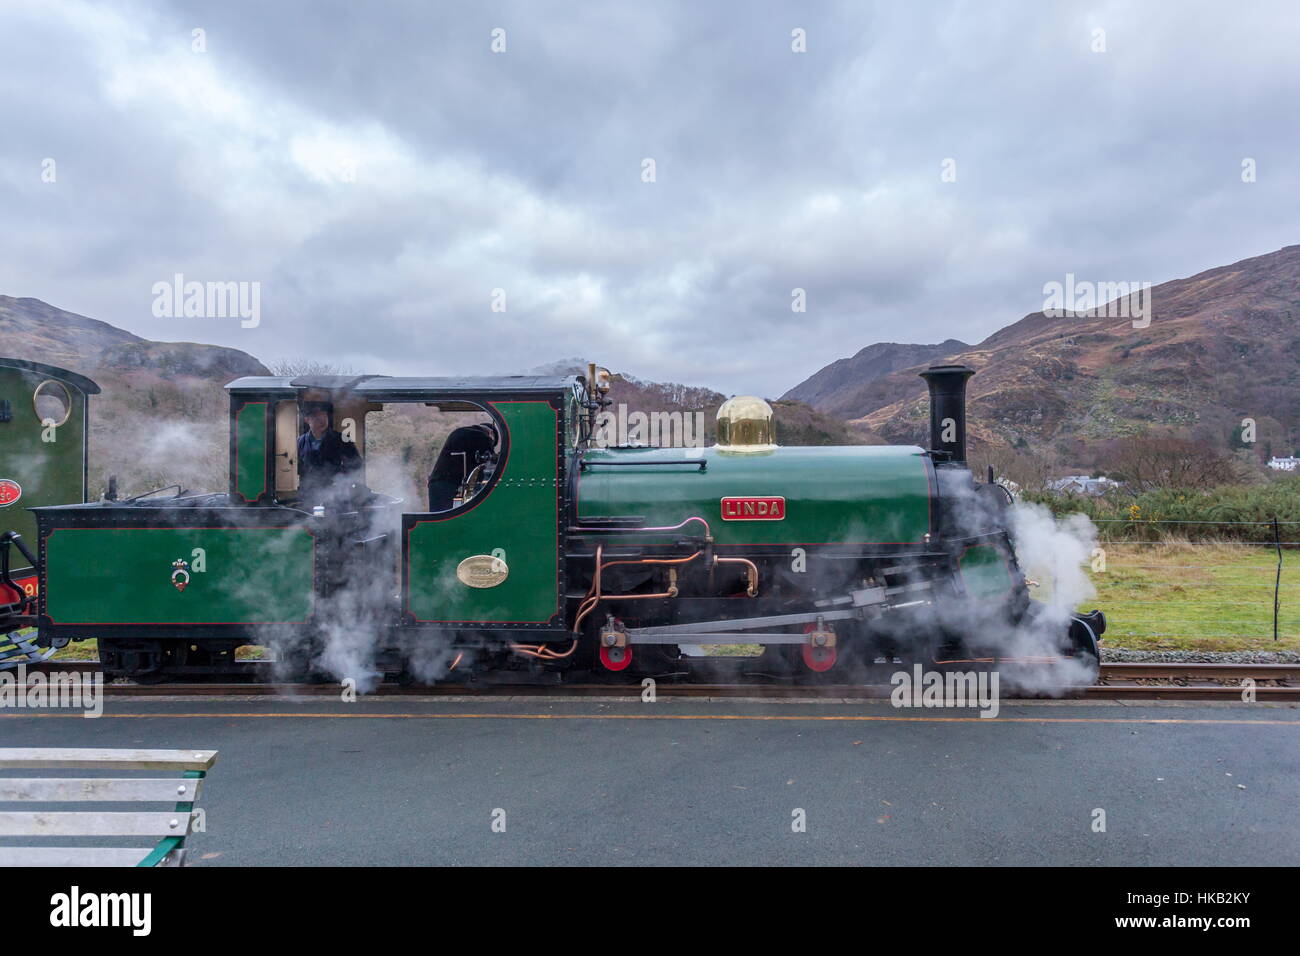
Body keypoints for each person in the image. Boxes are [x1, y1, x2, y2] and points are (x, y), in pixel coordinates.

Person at [297, 403, 362, 507]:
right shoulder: (301, 441)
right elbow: (299, 466)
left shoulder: (342, 439)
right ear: (307, 420)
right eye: (316, 417)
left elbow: (356, 464)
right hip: (310, 493)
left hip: (336, 493)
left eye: (324, 416)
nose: (322, 420)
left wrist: (341, 479)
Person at [427, 422, 497, 511]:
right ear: (491, 433)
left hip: (436, 483)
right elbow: (489, 462)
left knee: (437, 517)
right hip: (450, 485)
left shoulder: (460, 432)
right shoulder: (483, 436)